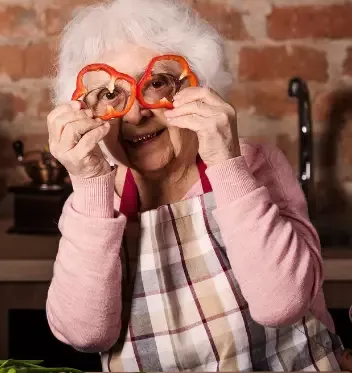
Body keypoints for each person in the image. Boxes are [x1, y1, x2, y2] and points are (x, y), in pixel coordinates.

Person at [43, 0, 347, 371]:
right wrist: (89, 185)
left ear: (197, 86)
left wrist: (226, 162)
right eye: (110, 94)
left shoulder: (253, 164)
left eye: (156, 83)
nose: (137, 113)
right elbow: (85, 335)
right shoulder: (98, 201)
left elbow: (282, 305)